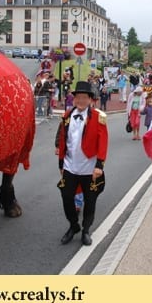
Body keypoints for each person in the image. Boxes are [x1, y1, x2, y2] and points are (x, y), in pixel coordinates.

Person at [54, 81, 108, 246]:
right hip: (70, 166)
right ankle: (73, 225)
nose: (81, 100)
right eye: (78, 97)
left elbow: (103, 142)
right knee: (66, 196)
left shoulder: (98, 117)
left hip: (89, 168)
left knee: (90, 201)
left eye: (84, 97)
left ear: (90, 99)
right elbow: (64, 140)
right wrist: (61, 164)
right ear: (74, 99)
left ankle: (85, 230)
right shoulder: (67, 115)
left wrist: (99, 165)